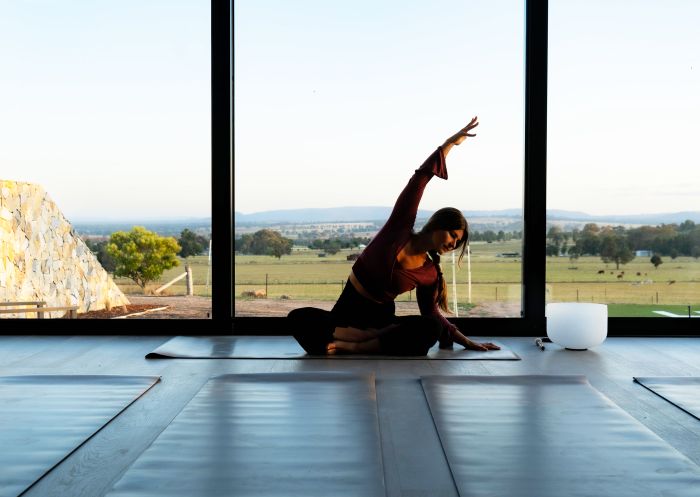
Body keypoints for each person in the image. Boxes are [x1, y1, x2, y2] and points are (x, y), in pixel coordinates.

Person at [288, 116, 500, 356]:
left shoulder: (430, 273)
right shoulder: (399, 227)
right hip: (345, 313)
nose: (453, 244)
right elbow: (420, 179)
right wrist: (449, 144)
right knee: (297, 318)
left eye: (458, 242)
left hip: (380, 320)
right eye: (453, 235)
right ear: (437, 224)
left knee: (428, 328)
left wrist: (467, 341)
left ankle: (355, 344)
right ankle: (367, 340)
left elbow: (431, 314)